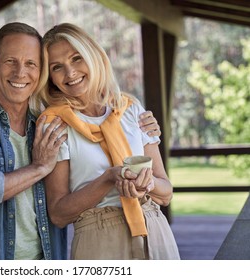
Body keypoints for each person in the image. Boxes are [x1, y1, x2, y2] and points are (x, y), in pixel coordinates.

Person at [0, 22, 161, 260]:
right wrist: (39, 168)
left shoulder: (49, 124)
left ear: (41, 72)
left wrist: (145, 130)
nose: (20, 73)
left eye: (31, 64)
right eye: (10, 61)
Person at [34, 23, 180, 260]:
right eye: (57, 67)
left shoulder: (130, 109)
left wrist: (147, 184)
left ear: (93, 56)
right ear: (49, 78)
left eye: (76, 58)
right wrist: (108, 178)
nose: (70, 73)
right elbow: (58, 213)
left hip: (155, 231)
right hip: (99, 240)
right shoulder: (55, 124)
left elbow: (166, 192)